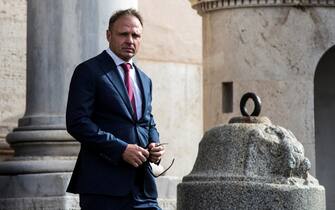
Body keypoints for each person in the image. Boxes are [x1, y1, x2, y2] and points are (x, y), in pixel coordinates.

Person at [66, 9, 164, 210]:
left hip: (143, 187)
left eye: (135, 35)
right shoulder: (88, 71)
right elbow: (77, 123)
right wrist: (121, 150)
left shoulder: (145, 80)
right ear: (108, 35)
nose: (130, 40)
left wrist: (154, 143)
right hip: (103, 186)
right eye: (123, 34)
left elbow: (147, 120)